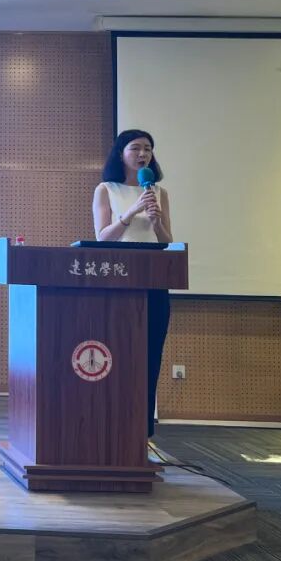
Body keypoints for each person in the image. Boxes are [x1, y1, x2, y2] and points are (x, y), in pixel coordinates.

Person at [92, 129, 173, 439]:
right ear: (120, 153)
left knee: (150, 355)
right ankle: (111, 425)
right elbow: (102, 237)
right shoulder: (106, 189)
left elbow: (166, 242)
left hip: (152, 279)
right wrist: (130, 213)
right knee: (117, 352)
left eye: (148, 149)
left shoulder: (159, 193)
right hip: (117, 280)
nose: (143, 154)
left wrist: (156, 222)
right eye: (136, 148)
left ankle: (142, 433)